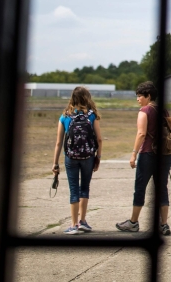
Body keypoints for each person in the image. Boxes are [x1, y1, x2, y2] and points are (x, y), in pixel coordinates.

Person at [116, 81, 171, 235]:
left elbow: (141, 133)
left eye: (140, 96)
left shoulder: (145, 110)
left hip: (148, 153)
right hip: (165, 154)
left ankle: (133, 222)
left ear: (148, 96)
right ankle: (164, 224)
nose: (138, 99)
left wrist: (134, 153)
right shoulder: (163, 110)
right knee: (161, 188)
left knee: (140, 187)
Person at [52, 86, 103, 234]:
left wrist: (55, 163)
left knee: (73, 189)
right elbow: (99, 139)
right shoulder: (92, 115)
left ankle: (73, 225)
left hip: (71, 157)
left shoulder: (65, 116)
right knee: (85, 188)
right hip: (88, 157)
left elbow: (58, 143)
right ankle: (83, 222)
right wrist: (98, 157)